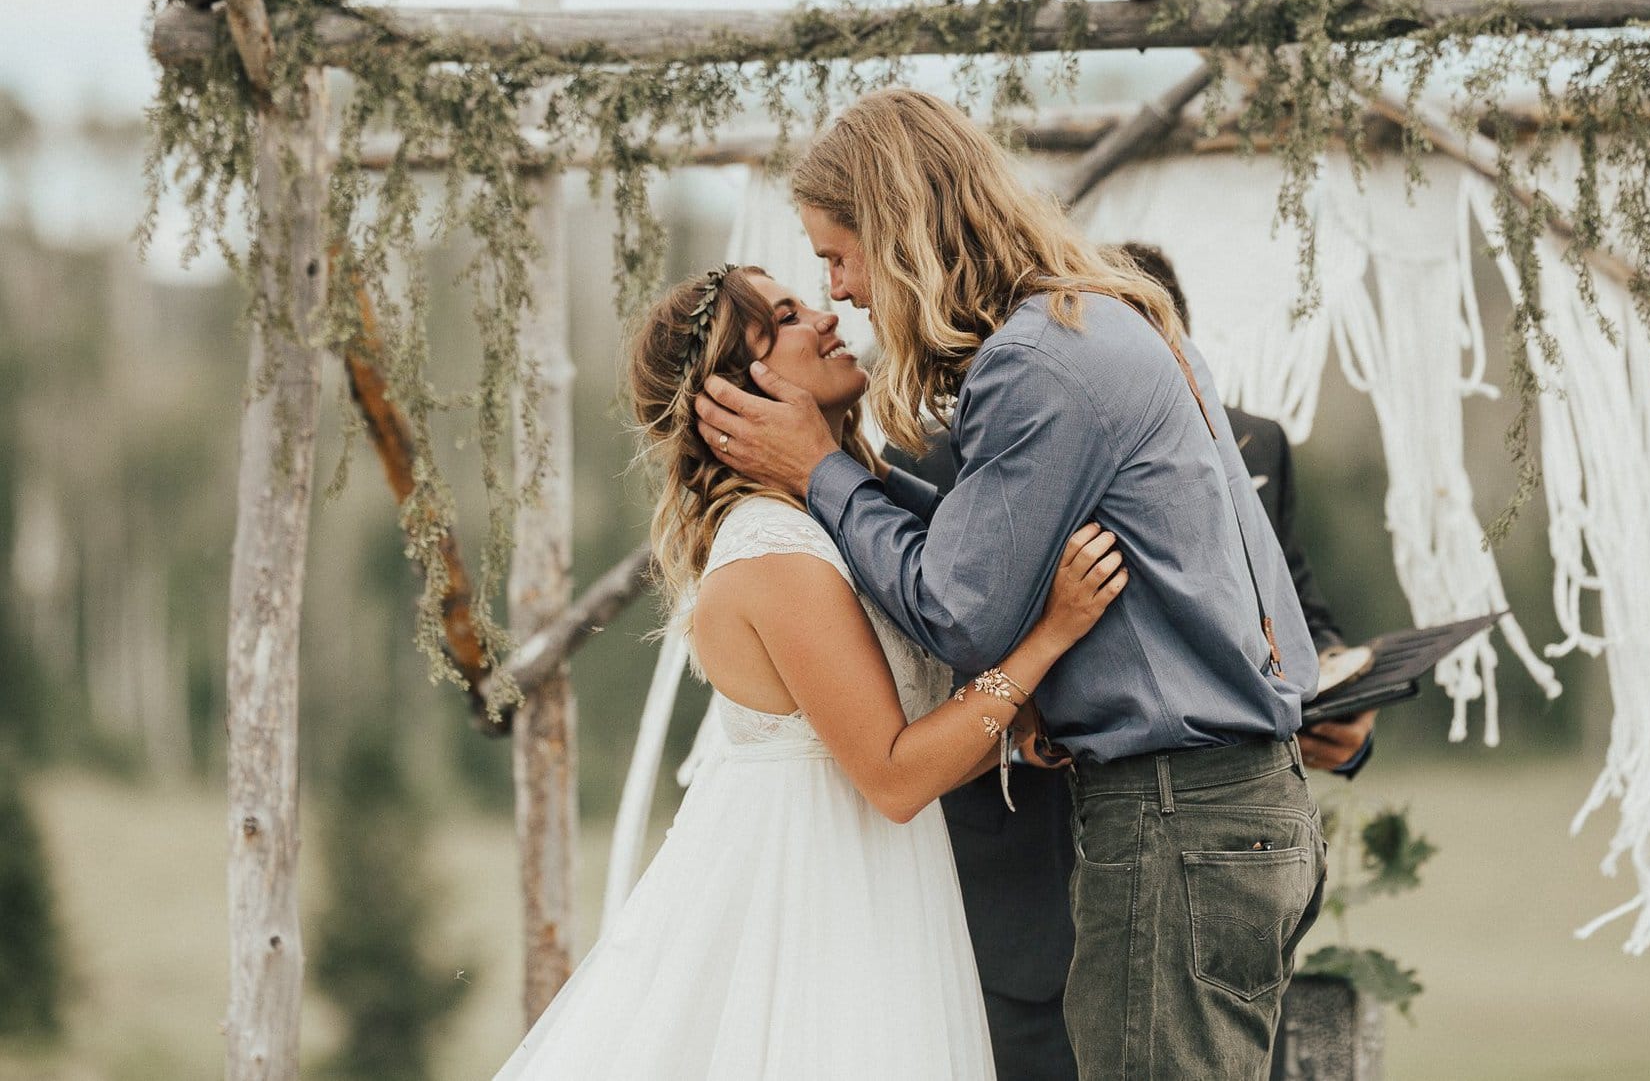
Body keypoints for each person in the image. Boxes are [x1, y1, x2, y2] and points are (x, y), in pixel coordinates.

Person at [694, 89, 1331, 1079]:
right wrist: (843, 470)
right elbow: (984, 541)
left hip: (1176, 825)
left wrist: (818, 468)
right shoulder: (1098, 317)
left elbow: (957, 610)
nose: (842, 291)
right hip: (1219, 813)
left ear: (897, 232)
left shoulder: (1031, 364)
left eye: (837, 253)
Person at [492, 264, 1127, 1080]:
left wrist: (1017, 738)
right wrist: (1050, 635)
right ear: (736, 394)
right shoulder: (773, 552)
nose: (827, 315)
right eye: (788, 316)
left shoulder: (827, 520)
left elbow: (893, 737)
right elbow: (894, 777)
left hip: (875, 886)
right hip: (814, 906)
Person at [889, 241, 1374, 1081]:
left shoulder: (1244, 440)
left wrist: (1339, 710)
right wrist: (1022, 719)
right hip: (1031, 875)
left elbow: (1294, 619)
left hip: (1196, 839)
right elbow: (931, 648)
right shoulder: (948, 449)